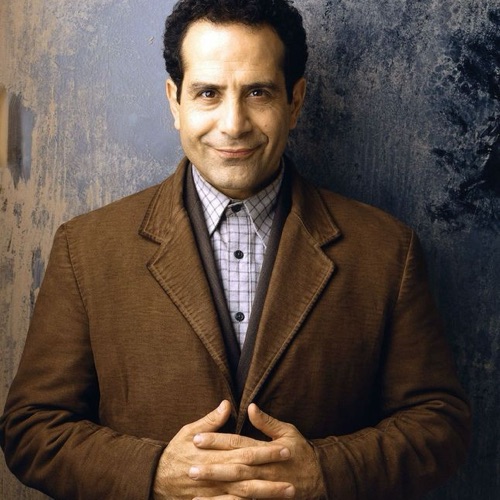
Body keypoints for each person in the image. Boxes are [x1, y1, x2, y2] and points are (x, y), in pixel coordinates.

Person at [0, 0, 471, 498]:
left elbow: (439, 424)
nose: (234, 124)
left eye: (258, 92)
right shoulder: (85, 248)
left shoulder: (387, 250)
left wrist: (326, 472)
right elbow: (31, 428)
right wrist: (152, 474)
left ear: (295, 101)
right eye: (208, 93)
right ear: (174, 102)